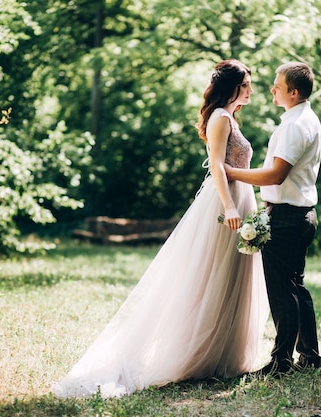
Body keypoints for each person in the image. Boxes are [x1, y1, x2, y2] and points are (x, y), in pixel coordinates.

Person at [51, 59, 269, 399]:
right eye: (246, 85)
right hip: (225, 201)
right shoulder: (220, 118)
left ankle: (223, 355)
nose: (251, 90)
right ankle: (197, 353)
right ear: (233, 87)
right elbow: (216, 165)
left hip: (242, 199)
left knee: (232, 277)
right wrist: (229, 206)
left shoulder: (231, 116)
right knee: (212, 275)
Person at [225, 61, 321, 378]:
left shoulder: (295, 126)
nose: (271, 89)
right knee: (296, 288)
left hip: (286, 217)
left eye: (278, 86)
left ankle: (281, 363)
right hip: (302, 214)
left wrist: (232, 172)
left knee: (282, 292)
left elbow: (276, 175)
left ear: (293, 93)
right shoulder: (305, 118)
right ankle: (309, 358)